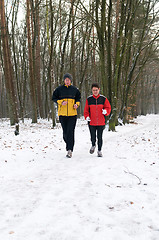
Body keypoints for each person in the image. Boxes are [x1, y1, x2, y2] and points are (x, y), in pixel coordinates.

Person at [52, 73, 81, 158]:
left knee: (70, 132)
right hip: (62, 114)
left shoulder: (75, 89)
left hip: (72, 114)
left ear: (70, 80)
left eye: (68, 80)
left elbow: (78, 98)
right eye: (66, 80)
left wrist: (77, 104)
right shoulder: (59, 89)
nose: (67, 81)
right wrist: (61, 102)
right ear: (64, 80)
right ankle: (68, 144)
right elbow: (54, 98)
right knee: (65, 133)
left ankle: (70, 150)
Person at [84, 83, 111, 157]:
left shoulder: (103, 99)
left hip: (101, 122)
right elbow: (86, 110)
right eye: (93, 90)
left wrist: (106, 111)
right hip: (91, 122)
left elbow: (108, 107)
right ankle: (93, 145)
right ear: (91, 90)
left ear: (99, 90)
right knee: (92, 136)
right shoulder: (89, 99)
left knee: (100, 136)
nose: (95, 91)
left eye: (96, 90)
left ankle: (99, 150)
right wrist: (86, 116)